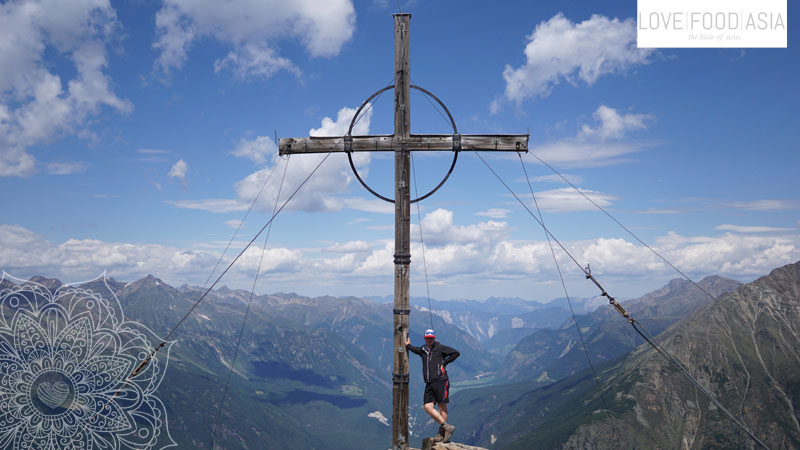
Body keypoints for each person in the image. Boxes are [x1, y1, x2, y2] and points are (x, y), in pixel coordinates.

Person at [406, 329, 460, 443]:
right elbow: (415, 350)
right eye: (427, 338)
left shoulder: (440, 348)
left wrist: (445, 362)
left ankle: (441, 434)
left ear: (434, 338)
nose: (429, 339)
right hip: (429, 383)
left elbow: (456, 353)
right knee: (427, 407)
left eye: (431, 338)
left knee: (442, 407)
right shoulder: (423, 350)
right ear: (425, 338)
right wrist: (408, 345)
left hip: (441, 380)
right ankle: (446, 427)